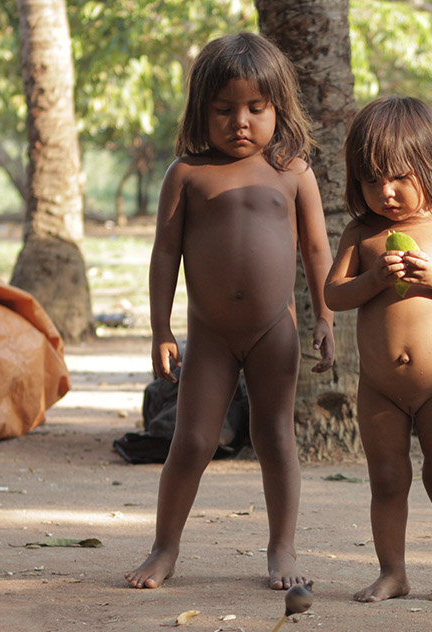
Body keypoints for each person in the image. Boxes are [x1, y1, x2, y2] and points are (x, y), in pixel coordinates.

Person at [125, 33, 335, 590]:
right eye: (223, 110)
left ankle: (281, 551)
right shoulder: (188, 175)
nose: (239, 121)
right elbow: (165, 252)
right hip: (210, 336)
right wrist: (159, 328)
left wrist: (326, 318)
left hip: (275, 331)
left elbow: (316, 250)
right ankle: (164, 548)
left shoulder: (292, 172)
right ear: (202, 111)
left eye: (255, 109)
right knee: (192, 440)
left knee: (275, 438)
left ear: (277, 109)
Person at [324, 96, 432, 602]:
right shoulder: (362, 234)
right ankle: (393, 572)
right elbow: (335, 294)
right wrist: (374, 278)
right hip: (380, 389)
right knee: (387, 479)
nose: (386, 192)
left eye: (399, 177)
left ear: (428, 166)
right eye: (371, 181)